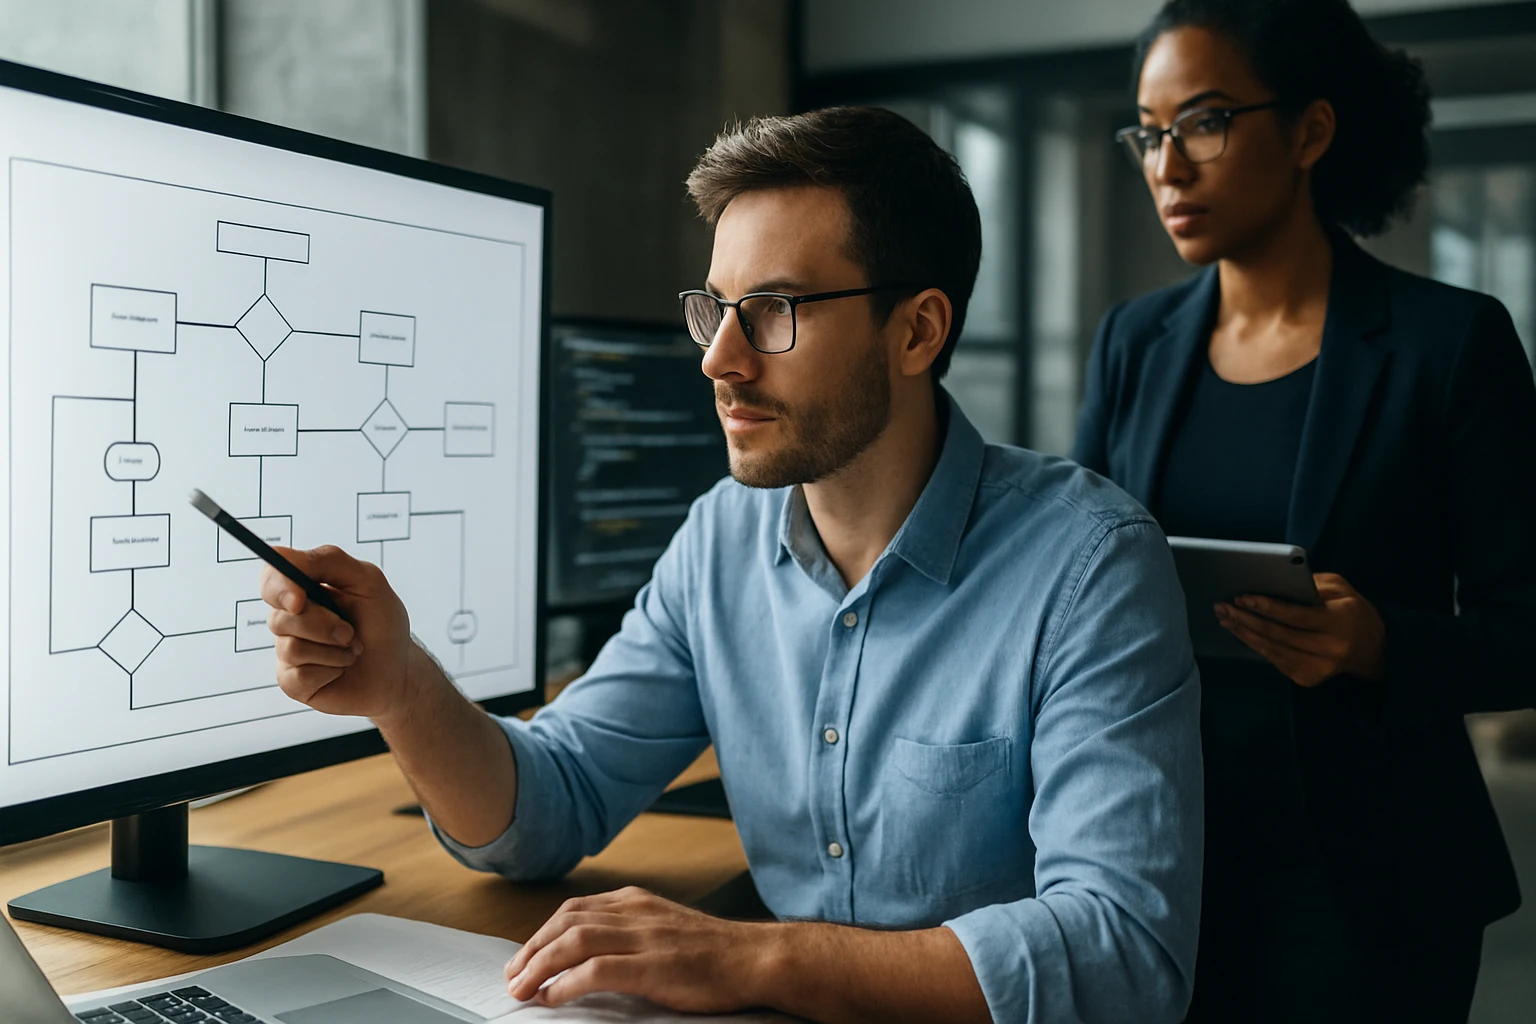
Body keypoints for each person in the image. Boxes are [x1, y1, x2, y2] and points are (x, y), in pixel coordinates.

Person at [261, 106, 1204, 1023]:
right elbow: (551, 805)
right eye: (715, 309)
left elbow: (1123, 957)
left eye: (776, 310)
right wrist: (399, 688)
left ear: (917, 330)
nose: (719, 359)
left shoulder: (1092, 565)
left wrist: (754, 954)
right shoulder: (721, 540)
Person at [1073, 1, 1536, 1020]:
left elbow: (1526, 630)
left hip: (1375, 888)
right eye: (1147, 133)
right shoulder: (1133, 344)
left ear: (1310, 131)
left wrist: (1380, 645)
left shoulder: (1448, 344)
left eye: (1202, 122)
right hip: (1162, 858)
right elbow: (1072, 583)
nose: (1167, 166)